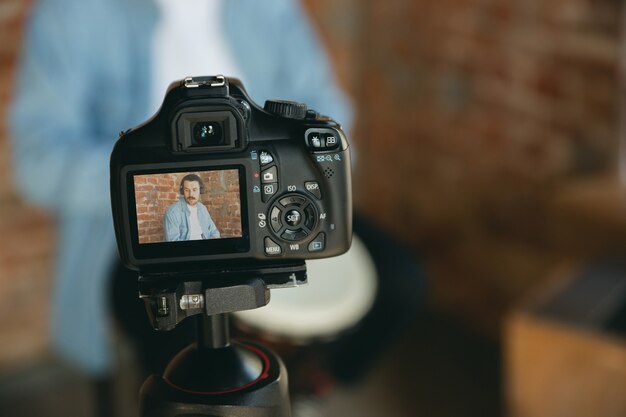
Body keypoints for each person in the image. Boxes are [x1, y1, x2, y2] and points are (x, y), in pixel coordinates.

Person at [10, 0, 352, 378]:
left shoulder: (269, 7)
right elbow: (36, 161)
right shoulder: (71, 14)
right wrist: (149, 175)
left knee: (400, 285)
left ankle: (308, 384)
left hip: (276, 204)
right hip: (124, 238)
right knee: (188, 354)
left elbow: (335, 114)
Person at [164, 174, 220, 241]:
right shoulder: (173, 212)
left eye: (194, 190)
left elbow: (214, 231)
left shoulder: (203, 209)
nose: (191, 194)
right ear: (182, 191)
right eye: (187, 190)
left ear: (200, 190)